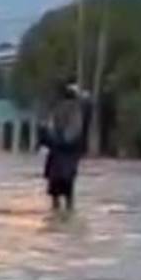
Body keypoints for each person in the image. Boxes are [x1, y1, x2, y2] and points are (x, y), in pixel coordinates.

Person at [40, 84, 86, 212]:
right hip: (68, 152)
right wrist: (65, 140)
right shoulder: (75, 109)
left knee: (55, 186)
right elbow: (75, 129)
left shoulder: (57, 108)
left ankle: (57, 211)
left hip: (57, 151)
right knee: (68, 185)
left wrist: (54, 140)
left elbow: (49, 127)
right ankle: (67, 211)